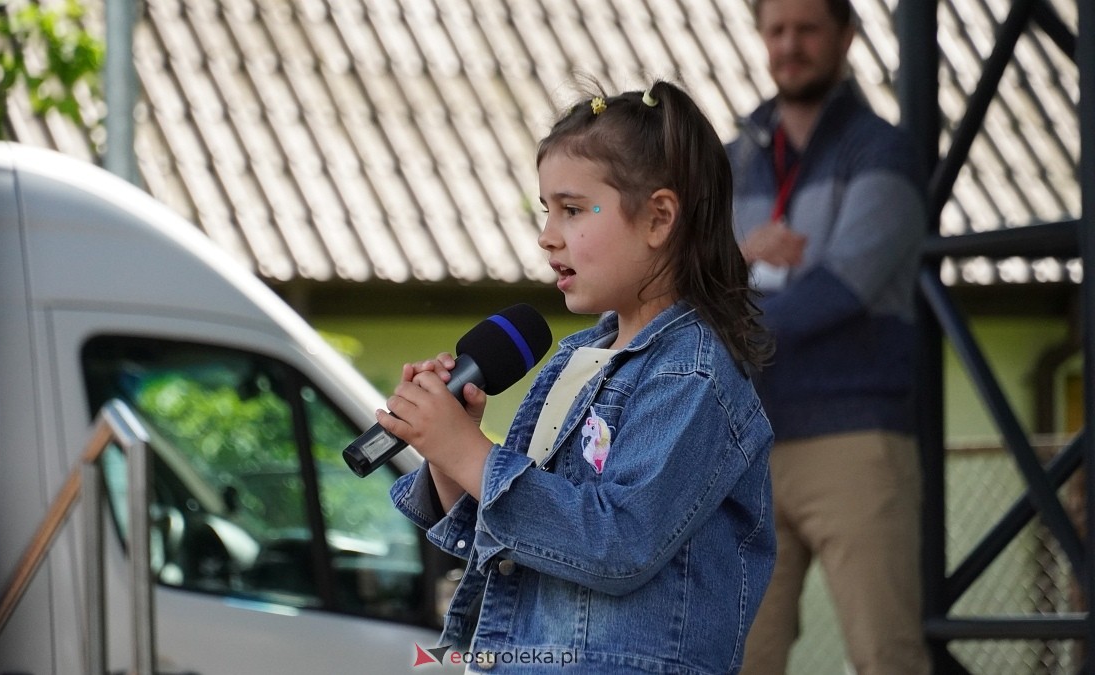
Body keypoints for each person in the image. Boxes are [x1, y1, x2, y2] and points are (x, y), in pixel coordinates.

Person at [380, 79, 775, 674]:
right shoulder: (574, 359)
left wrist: (473, 455)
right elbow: (525, 529)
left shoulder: (694, 375)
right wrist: (449, 452)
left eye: (572, 209)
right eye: (546, 211)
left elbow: (617, 544)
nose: (547, 236)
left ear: (658, 218)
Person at [727, 1, 931, 674]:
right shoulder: (732, 163)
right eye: (776, 29)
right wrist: (742, 269)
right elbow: (685, 279)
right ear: (760, 38)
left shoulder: (885, 151)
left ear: (846, 35)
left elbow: (841, 292)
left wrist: (730, 302)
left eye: (808, 28)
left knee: (887, 657)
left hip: (854, 442)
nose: (790, 44)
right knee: (739, 659)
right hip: (748, 448)